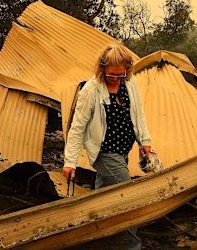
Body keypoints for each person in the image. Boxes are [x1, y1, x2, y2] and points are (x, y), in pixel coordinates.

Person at [62, 43, 152, 250]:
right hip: (104, 152)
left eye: (121, 75)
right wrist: (70, 162)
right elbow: (77, 128)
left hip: (122, 151)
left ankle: (96, 236)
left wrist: (144, 141)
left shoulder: (129, 84)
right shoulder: (91, 90)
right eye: (112, 74)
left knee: (103, 196)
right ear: (102, 69)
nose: (116, 79)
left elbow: (138, 114)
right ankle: (131, 245)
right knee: (129, 196)